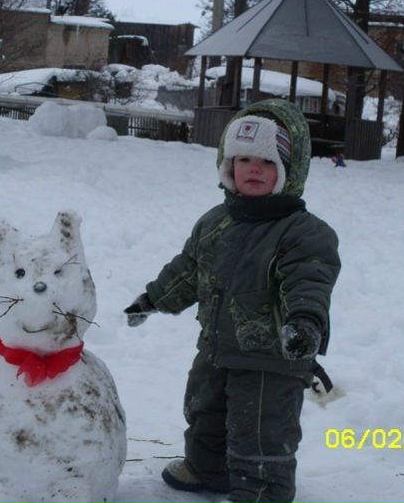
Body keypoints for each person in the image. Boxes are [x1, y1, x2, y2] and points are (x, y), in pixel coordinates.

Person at [124, 98, 341, 503]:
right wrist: (152, 299)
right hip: (217, 348)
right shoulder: (214, 223)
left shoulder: (304, 232)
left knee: (261, 431)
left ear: (288, 171)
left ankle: (262, 491)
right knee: (205, 413)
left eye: (268, 162)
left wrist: (305, 322)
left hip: (272, 360)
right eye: (244, 160)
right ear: (228, 166)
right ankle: (208, 470)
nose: (254, 169)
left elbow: (309, 279)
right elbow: (188, 271)